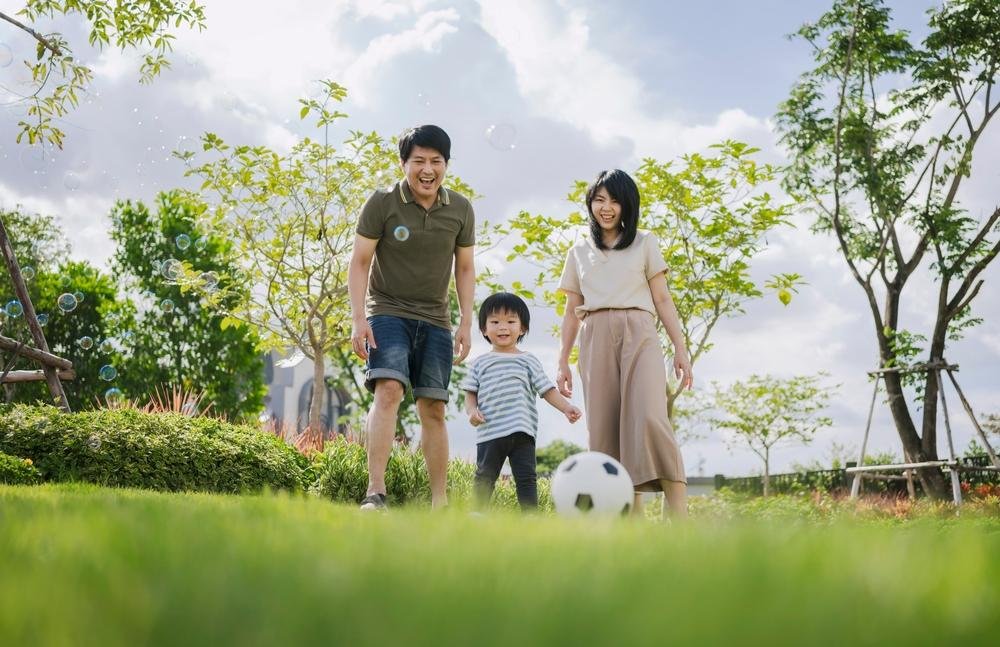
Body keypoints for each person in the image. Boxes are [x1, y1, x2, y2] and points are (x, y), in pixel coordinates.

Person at [348, 124, 475, 511]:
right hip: (387, 311)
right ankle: (376, 492)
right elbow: (360, 261)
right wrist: (358, 318)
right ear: (404, 163)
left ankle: (440, 504)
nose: (427, 169)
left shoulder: (461, 209)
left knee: (433, 407)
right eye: (418, 160)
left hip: (436, 319)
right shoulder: (383, 202)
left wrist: (466, 322)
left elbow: (465, 268)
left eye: (436, 161)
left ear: (446, 165)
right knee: (388, 390)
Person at [556, 169, 693, 519]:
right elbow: (571, 312)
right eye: (599, 199)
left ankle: (678, 516)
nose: (606, 207)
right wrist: (562, 362)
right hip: (595, 335)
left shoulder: (645, 242)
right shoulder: (578, 251)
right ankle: (627, 521)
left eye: (614, 200)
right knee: (604, 430)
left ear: (627, 205)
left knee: (650, 418)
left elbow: (662, 299)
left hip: (640, 331)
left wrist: (680, 349)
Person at [461, 292, 582, 511]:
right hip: (490, 431)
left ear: (523, 328)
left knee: (526, 477)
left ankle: (530, 515)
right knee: (485, 475)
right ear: (483, 329)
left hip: (522, 431)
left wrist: (566, 407)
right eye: (495, 322)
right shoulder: (479, 363)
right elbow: (470, 394)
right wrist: (471, 411)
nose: (502, 327)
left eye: (510, 321)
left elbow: (546, 390)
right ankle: (476, 514)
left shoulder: (528, 360)